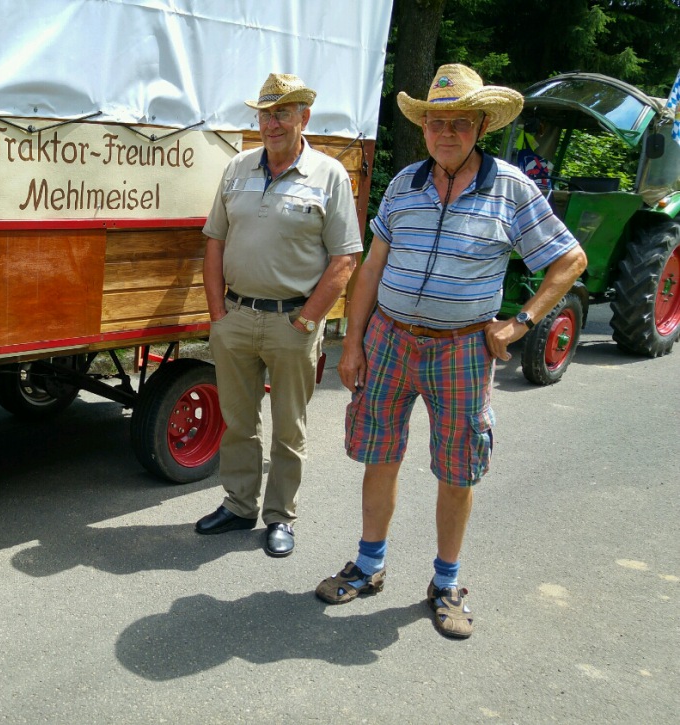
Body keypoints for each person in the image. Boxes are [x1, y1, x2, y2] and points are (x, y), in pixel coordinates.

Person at [314, 64, 587, 638]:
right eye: (436, 122)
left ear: (481, 125)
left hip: (462, 349)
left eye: (459, 123)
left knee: (457, 466)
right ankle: (369, 565)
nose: (445, 133)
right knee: (379, 452)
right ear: (424, 128)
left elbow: (569, 261)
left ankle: (446, 582)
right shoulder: (404, 183)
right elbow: (371, 270)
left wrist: (521, 324)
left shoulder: (511, 188)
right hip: (388, 340)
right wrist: (354, 342)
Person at [195, 73, 363, 557]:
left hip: (294, 322)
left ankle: (281, 516)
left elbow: (344, 260)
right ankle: (239, 505)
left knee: (290, 427)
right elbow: (215, 242)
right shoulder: (238, 168)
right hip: (237, 317)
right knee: (238, 420)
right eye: (266, 113)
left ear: (303, 117)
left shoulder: (328, 175)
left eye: (283, 113)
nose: (271, 123)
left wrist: (308, 321)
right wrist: (216, 311)